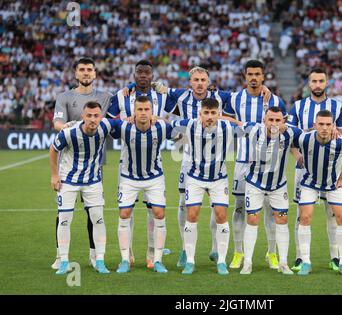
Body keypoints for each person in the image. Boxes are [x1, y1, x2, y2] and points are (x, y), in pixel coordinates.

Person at [152, 66, 271, 268]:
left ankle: (216, 249)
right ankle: (184, 249)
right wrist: (131, 87)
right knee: (184, 204)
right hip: (190, 157)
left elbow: (246, 94)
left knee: (219, 207)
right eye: (196, 80)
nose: (199, 83)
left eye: (203, 80)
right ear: (190, 82)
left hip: (216, 158)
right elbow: (156, 87)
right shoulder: (181, 96)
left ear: (208, 82)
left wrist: (264, 88)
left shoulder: (221, 96)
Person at [107, 60, 173, 269]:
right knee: (127, 211)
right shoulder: (122, 95)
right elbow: (108, 121)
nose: (143, 76)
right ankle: (129, 254)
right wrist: (125, 121)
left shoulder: (161, 94)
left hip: (154, 162)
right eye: (139, 73)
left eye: (147, 73)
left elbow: (185, 104)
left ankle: (152, 254)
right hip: (127, 164)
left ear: (152, 76)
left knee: (153, 210)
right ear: (134, 75)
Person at [223, 59, 286, 270]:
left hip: (270, 163)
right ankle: (238, 252)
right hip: (242, 161)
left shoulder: (274, 99)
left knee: (270, 210)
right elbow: (223, 117)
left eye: (257, 74)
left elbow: (285, 125)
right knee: (240, 208)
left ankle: (272, 253)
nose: (253, 78)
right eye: (250, 74)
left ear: (263, 76)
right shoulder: (235, 99)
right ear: (244, 75)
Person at [287, 68, 342, 272]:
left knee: (332, 213)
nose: (317, 84)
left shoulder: (337, 107)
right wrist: (299, 158)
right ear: (308, 83)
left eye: (321, 81)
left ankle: (336, 258)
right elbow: (292, 137)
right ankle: (299, 258)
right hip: (305, 170)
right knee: (302, 213)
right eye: (314, 81)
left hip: (331, 168)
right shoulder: (298, 106)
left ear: (327, 83)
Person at [51, 57, 111, 270]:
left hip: (95, 164)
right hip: (68, 164)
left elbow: (120, 112)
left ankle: (95, 255)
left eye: (89, 70)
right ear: (76, 74)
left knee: (93, 212)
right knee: (63, 213)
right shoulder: (65, 97)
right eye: (82, 70)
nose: (86, 73)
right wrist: (64, 127)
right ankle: (61, 256)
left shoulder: (105, 97)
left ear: (95, 74)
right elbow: (57, 121)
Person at [224, 107, 299, 275]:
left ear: (283, 122)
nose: (274, 124)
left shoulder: (291, 132)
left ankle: (283, 262)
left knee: (282, 220)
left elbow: (311, 134)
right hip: (254, 184)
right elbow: (234, 122)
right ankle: (248, 262)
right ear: (264, 120)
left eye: (277, 120)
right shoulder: (253, 129)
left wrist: (333, 132)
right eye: (270, 120)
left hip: (278, 185)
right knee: (252, 219)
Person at [170, 98, 240, 275]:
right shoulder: (190, 125)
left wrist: (236, 121)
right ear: (200, 113)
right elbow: (169, 123)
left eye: (213, 113)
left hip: (218, 178)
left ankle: (222, 261)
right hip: (194, 178)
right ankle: (190, 261)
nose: (209, 117)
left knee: (221, 215)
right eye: (206, 113)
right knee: (192, 215)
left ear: (219, 114)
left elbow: (252, 128)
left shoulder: (227, 128)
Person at [294, 110, 342, 277]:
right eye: (320, 124)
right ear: (314, 125)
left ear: (333, 126)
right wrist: (299, 157)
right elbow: (292, 143)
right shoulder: (304, 138)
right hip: (309, 183)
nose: (324, 128)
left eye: (328, 124)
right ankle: (306, 262)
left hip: (332, 184)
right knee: (305, 217)